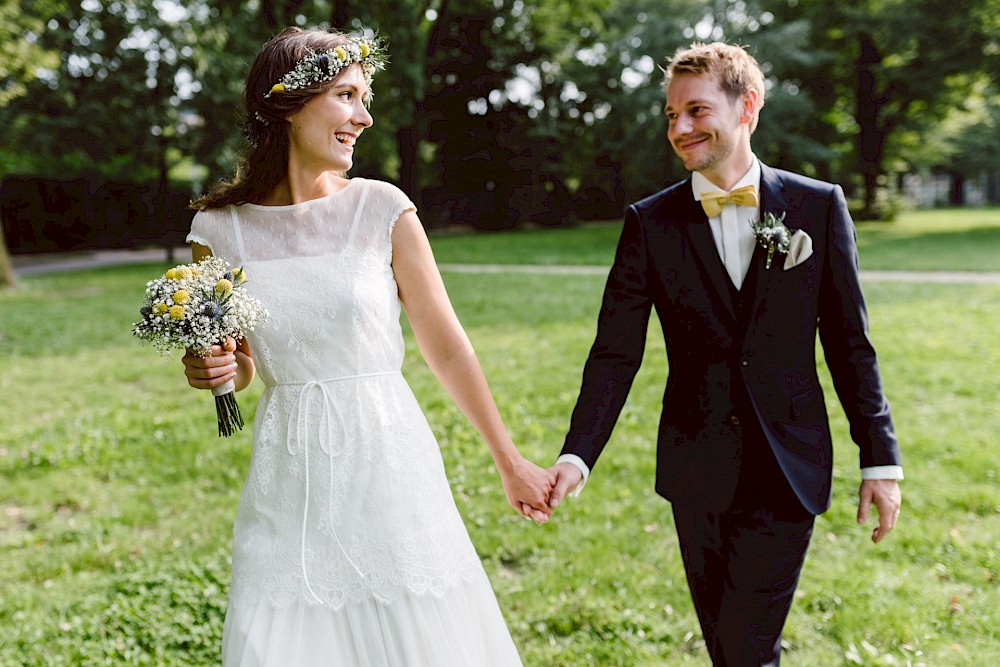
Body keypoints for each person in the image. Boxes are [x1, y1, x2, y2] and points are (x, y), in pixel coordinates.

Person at [180, 26, 552, 666]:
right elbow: (238, 364)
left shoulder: (382, 208)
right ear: (289, 105)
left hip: (386, 453)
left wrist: (507, 457)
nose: (365, 115)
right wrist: (214, 368)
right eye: (346, 96)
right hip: (287, 466)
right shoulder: (218, 231)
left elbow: (447, 348)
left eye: (365, 97)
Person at [547, 42, 903, 666]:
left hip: (788, 465)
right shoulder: (650, 223)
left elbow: (851, 342)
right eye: (671, 114)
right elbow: (615, 352)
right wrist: (578, 454)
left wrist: (880, 460)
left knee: (745, 649)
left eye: (696, 110)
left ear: (748, 108)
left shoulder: (817, 207)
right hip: (697, 470)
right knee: (728, 648)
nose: (680, 128)